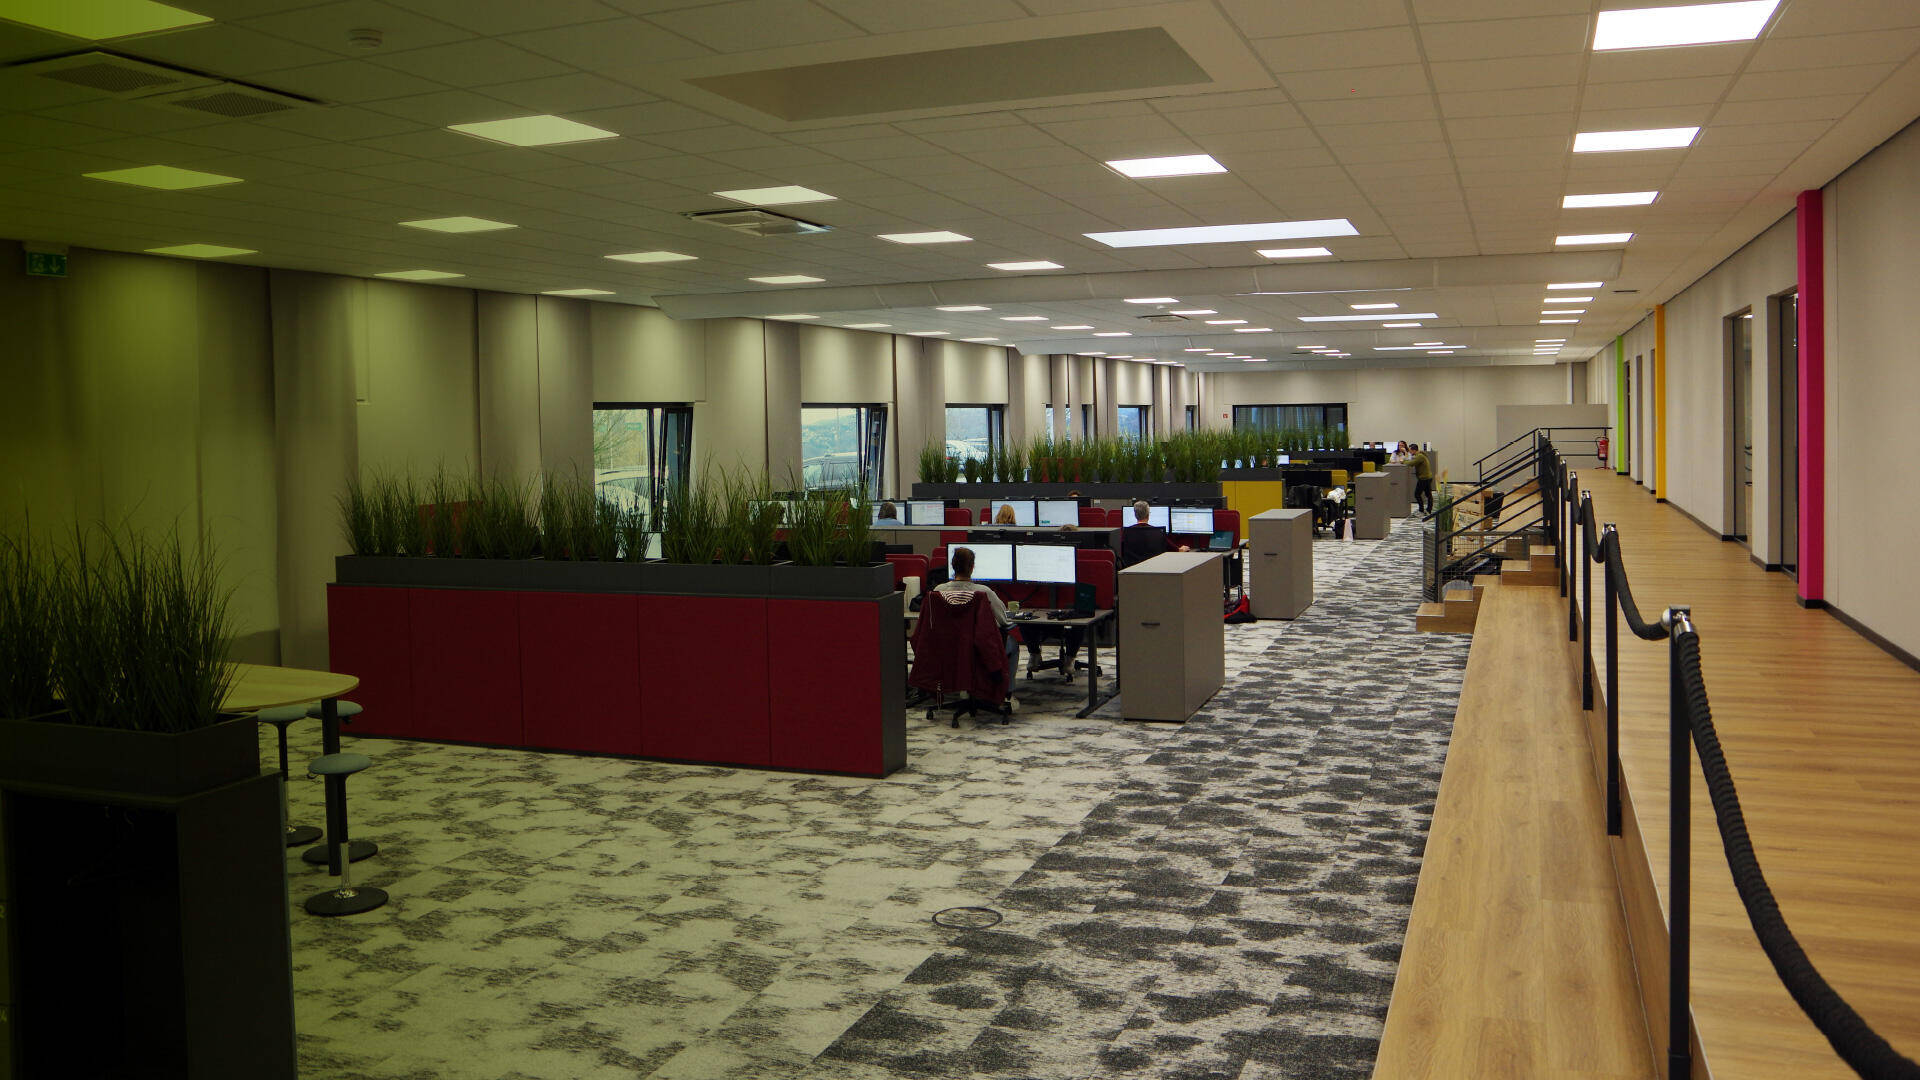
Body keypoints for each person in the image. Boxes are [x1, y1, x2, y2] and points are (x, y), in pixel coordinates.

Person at [936, 546, 1018, 670]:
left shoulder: (938, 591)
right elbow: (1003, 620)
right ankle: (1003, 682)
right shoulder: (984, 592)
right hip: (979, 651)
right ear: (972, 567)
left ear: (952, 565)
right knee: (1013, 644)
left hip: (947, 648)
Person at [1119, 500, 1189, 568]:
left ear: (1135, 515)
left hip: (1132, 571)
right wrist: (1182, 549)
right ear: (1148, 514)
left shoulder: (1126, 532)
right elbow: (1175, 550)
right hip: (1154, 570)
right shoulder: (1158, 532)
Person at [1409, 445, 1434, 514]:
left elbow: (1411, 463)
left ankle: (1421, 510)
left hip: (1424, 478)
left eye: (1410, 450)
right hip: (1427, 477)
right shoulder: (1420, 455)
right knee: (1428, 494)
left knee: (1417, 494)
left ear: (1414, 450)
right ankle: (1428, 510)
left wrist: (1402, 461)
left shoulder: (1419, 456)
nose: (1409, 452)